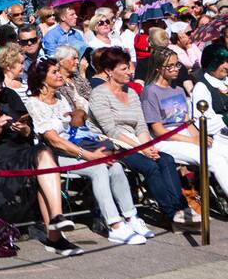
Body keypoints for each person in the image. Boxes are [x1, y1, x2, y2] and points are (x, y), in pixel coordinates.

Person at [27, 59, 156, 242]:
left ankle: (130, 217)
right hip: (53, 154)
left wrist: (79, 117)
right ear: (42, 79)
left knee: (116, 167)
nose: (59, 74)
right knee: (98, 168)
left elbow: (75, 126)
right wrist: (90, 156)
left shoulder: (61, 98)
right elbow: (54, 140)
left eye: (58, 71)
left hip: (75, 145)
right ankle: (114, 225)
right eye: (54, 72)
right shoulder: (34, 103)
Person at [0, 63, 78, 256]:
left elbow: (30, 131)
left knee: (43, 154)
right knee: (41, 165)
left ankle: (56, 217)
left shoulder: (9, 96)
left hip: (22, 151)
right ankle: (55, 238)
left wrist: (24, 129)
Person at [87, 48, 179, 233]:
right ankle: (171, 215)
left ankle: (178, 209)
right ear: (109, 71)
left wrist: (148, 147)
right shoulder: (99, 95)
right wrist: (141, 149)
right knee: (150, 167)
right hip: (113, 143)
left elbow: (141, 126)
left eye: (129, 67)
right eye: (124, 68)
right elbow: (111, 130)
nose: (130, 71)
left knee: (166, 160)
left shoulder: (131, 93)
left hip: (136, 140)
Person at [146, 45, 228, 201]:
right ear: (158, 68)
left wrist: (200, 136)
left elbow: (187, 122)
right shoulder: (151, 92)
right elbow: (158, 131)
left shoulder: (177, 89)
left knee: (225, 152)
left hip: (185, 135)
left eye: (177, 64)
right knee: (215, 160)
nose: (176, 69)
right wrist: (192, 140)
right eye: (170, 66)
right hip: (166, 140)